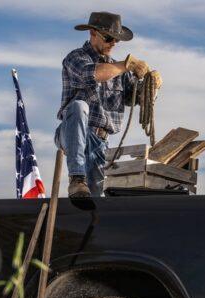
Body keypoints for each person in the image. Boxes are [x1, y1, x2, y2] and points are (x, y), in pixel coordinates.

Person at [55, 11, 162, 198]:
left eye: (116, 40)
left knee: (95, 199)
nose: (113, 43)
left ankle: (86, 207)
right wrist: (126, 65)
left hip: (100, 143)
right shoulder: (76, 58)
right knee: (79, 107)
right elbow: (93, 74)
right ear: (93, 33)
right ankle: (77, 179)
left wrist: (152, 87)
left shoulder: (120, 70)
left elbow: (134, 98)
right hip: (72, 131)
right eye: (109, 38)